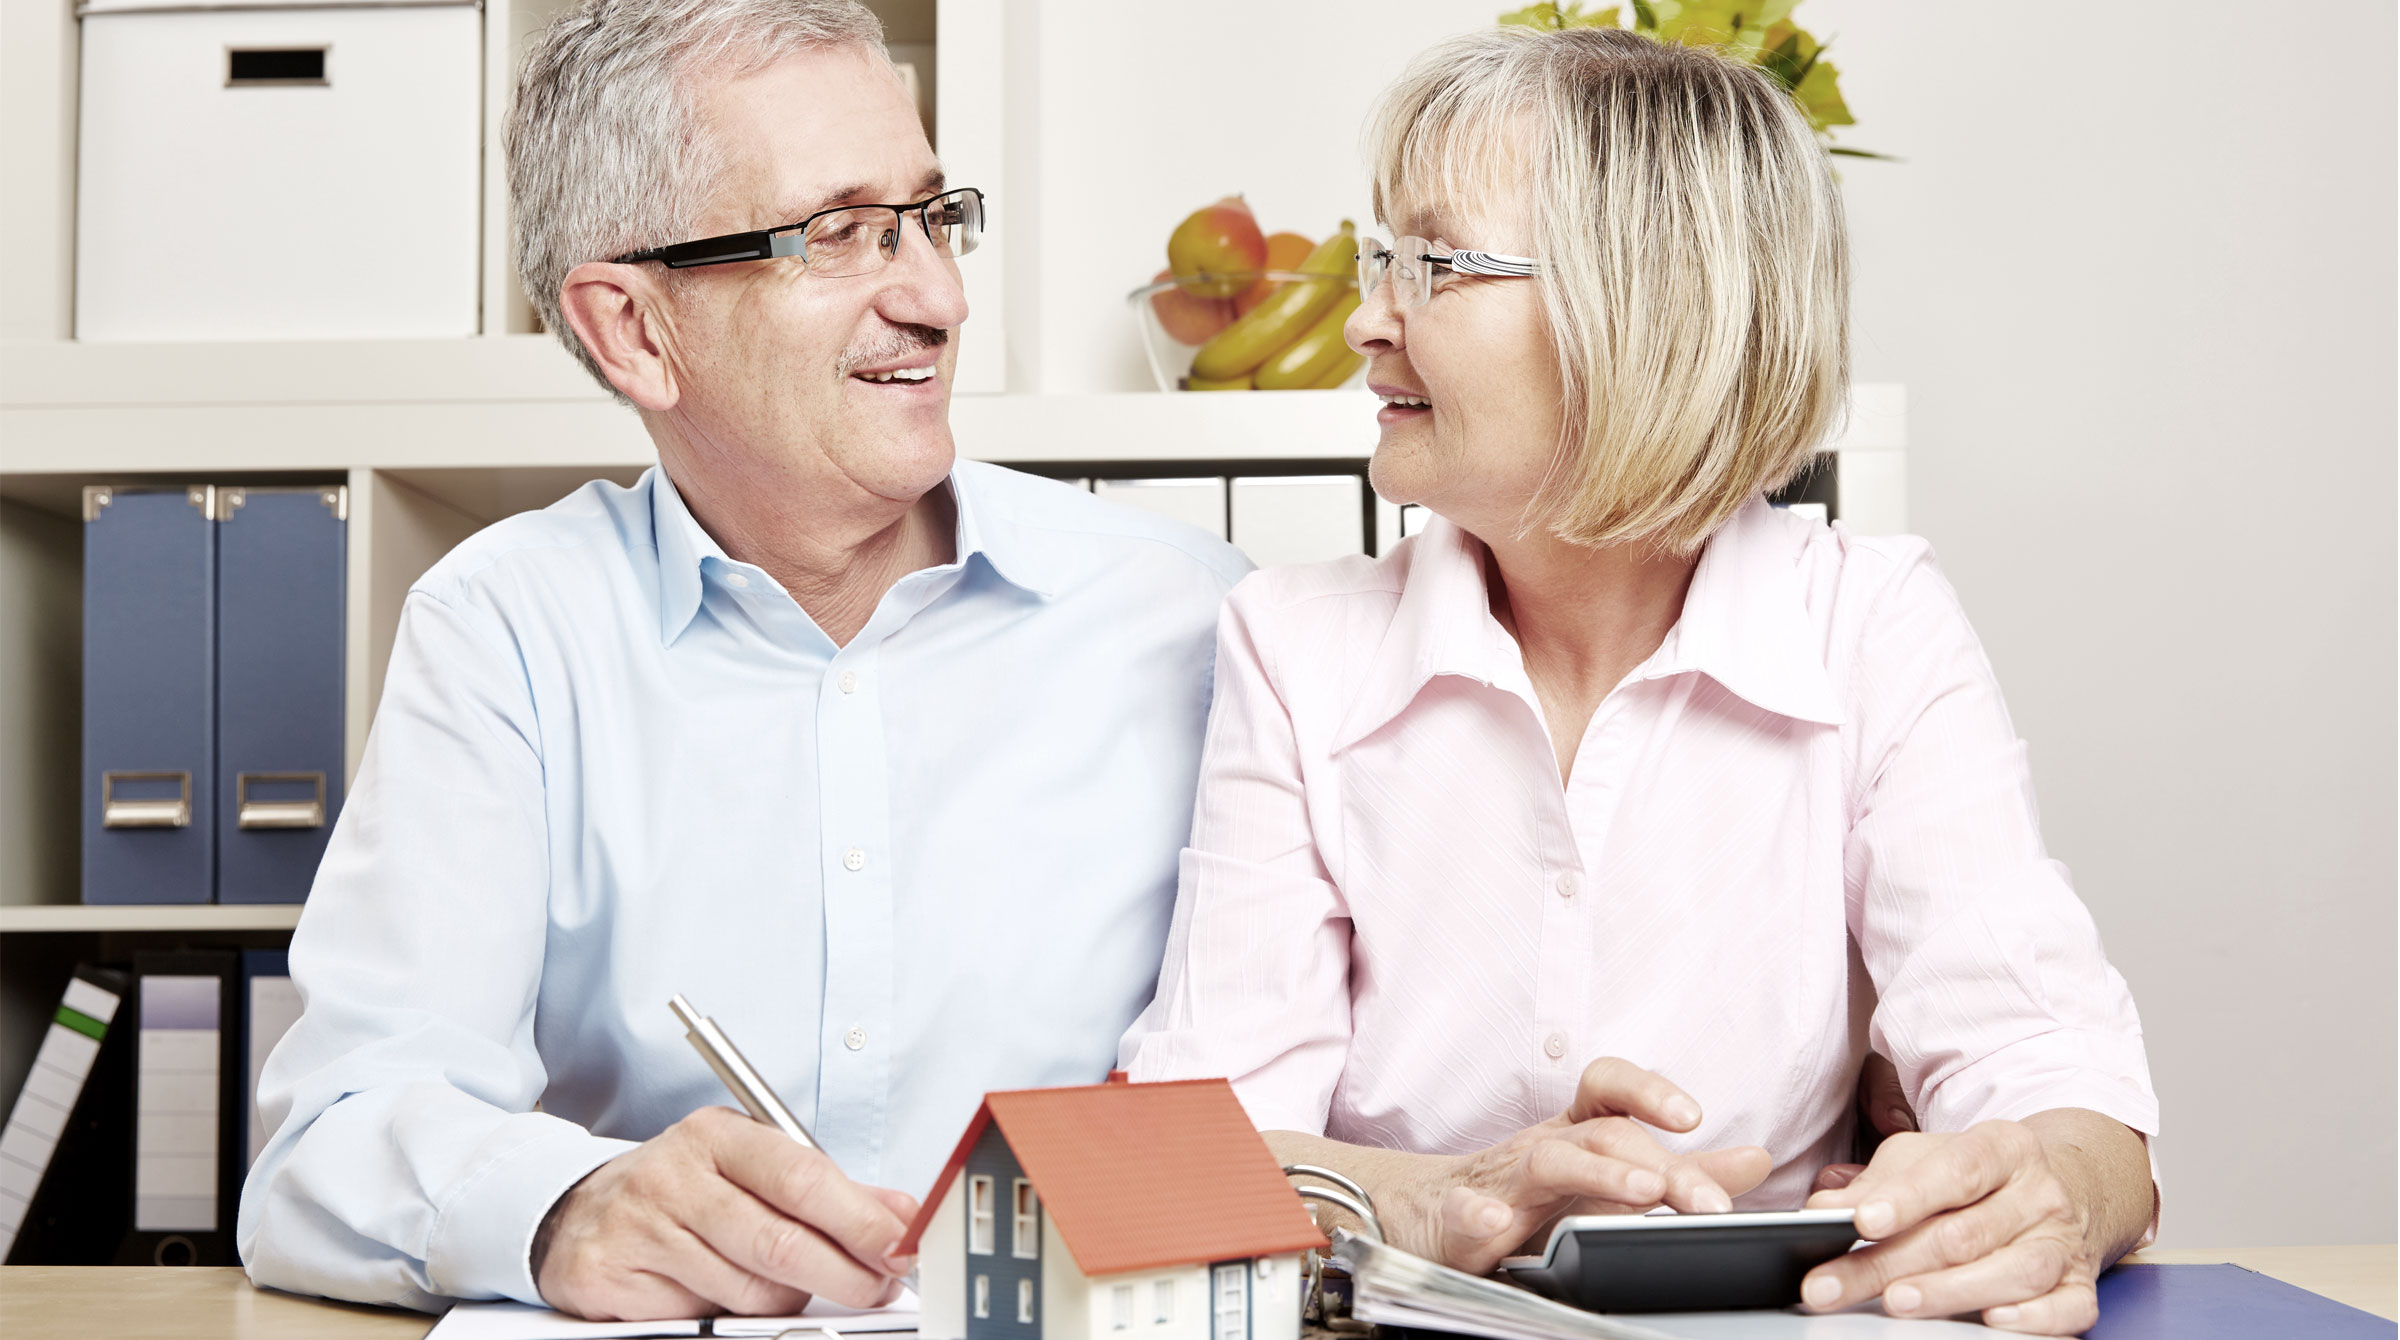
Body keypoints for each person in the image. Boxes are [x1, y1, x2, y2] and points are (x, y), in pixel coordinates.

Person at [1120, 26, 2158, 1336]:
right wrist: (1454, 1197)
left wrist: (2042, 1188)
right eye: (1381, 257)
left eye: (1429, 263)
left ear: (1642, 301)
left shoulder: (1872, 622)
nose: (1368, 316)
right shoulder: (1293, 644)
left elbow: (2068, 1090)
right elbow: (1185, 1157)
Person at [238, 0, 1248, 1319]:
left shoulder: (1193, 619)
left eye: (934, 219)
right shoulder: (507, 630)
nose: (938, 296)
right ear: (633, 331)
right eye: (838, 234)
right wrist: (566, 1208)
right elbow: (329, 1145)